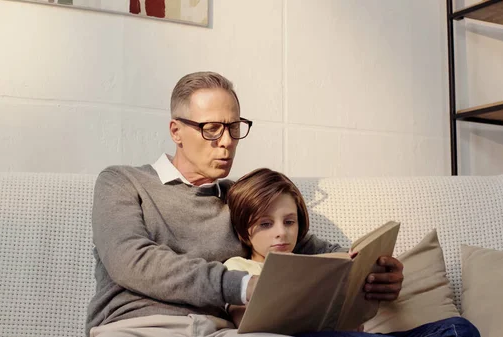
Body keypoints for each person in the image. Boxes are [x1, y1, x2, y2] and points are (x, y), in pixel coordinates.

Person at [86, 71, 476, 337]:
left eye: (234, 128)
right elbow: (132, 260)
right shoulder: (123, 182)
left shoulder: (242, 198)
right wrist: (245, 286)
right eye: (211, 129)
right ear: (176, 131)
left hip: (225, 333)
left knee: (456, 331)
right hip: (144, 328)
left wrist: (373, 271)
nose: (226, 142)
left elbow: (310, 251)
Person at [223, 168, 480, 337]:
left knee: (458, 328)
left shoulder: (319, 261)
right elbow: (246, 324)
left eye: (289, 222)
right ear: (245, 233)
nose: (281, 233)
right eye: (265, 224)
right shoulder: (238, 268)